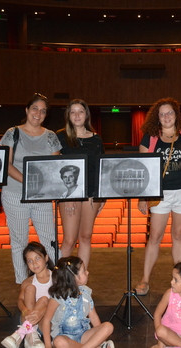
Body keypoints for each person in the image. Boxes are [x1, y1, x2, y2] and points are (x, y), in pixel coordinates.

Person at [135, 98, 181, 296]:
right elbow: (143, 170)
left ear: (176, 115)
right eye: (162, 114)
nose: (167, 117)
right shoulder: (150, 137)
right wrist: (143, 197)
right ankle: (145, 279)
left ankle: (180, 280)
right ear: (157, 118)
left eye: (170, 113)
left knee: (178, 235)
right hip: (160, 195)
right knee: (155, 237)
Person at [0, 93, 62, 284]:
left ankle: (54, 283)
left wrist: (40, 186)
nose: (38, 113)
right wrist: (29, 182)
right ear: (27, 110)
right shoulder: (13, 133)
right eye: (35, 108)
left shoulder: (51, 136)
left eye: (43, 111)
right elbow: (7, 164)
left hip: (41, 196)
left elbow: (54, 166)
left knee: (49, 241)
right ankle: (24, 283)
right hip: (14, 193)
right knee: (19, 242)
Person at [56, 99, 105, 268]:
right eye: (73, 112)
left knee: (85, 237)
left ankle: (80, 279)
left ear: (86, 115)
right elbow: (56, 168)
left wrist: (101, 197)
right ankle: (60, 281)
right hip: (70, 195)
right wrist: (67, 196)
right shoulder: (60, 137)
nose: (77, 115)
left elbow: (100, 168)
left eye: (80, 111)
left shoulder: (96, 139)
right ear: (68, 116)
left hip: (91, 195)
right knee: (69, 239)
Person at [43, 256, 114, 348]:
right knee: (59, 341)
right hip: (66, 338)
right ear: (74, 278)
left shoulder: (85, 293)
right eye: (84, 271)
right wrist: (48, 345)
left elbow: (94, 317)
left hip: (84, 335)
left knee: (108, 326)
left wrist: (101, 339)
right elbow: (46, 321)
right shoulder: (57, 298)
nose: (87, 272)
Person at [1, 242, 55, 348]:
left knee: (44, 300)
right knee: (30, 289)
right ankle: (31, 334)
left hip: (47, 320)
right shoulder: (27, 282)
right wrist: (26, 311)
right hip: (28, 316)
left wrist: (43, 310)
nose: (34, 263)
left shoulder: (56, 278)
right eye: (30, 261)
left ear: (46, 258)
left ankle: (21, 334)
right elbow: (20, 300)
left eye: (37, 258)